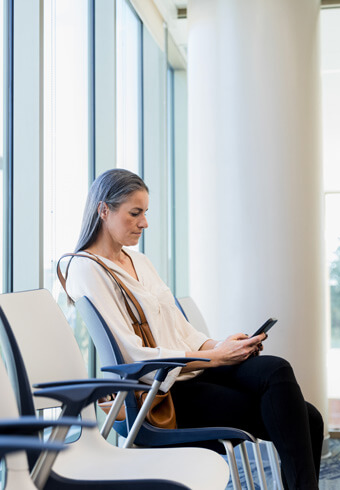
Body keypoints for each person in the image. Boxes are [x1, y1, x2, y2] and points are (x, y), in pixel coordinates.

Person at [63, 168, 323, 490]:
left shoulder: (139, 262)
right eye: (135, 213)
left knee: (277, 370)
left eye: (145, 213)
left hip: (193, 370)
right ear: (104, 210)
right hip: (163, 390)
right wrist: (215, 359)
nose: (144, 223)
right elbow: (131, 353)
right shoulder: (85, 268)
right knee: (306, 418)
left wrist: (221, 346)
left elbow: (180, 329)